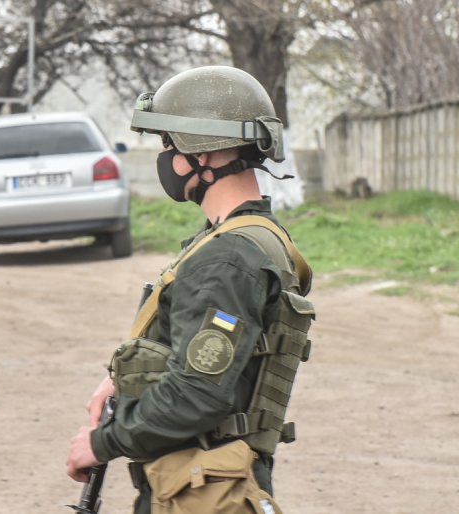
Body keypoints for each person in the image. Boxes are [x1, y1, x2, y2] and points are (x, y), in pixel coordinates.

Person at [66, 66, 315, 513]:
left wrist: (103, 442)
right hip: (208, 482)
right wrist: (119, 381)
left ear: (203, 153)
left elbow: (197, 393)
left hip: (205, 489)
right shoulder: (249, 236)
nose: (164, 157)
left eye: (169, 143)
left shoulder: (227, 258)